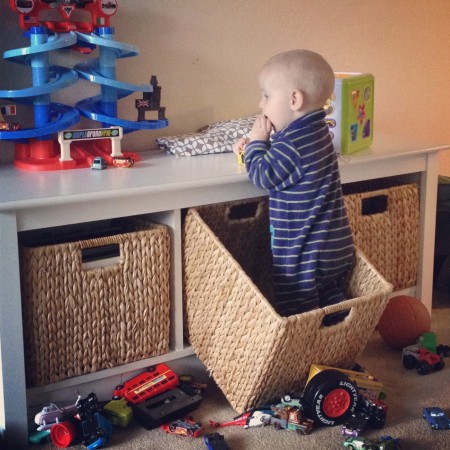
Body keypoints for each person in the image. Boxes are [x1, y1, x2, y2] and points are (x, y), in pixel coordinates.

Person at [233, 49, 355, 316]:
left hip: (305, 253)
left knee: (298, 309)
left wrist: (256, 144)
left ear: (294, 99)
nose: (261, 104)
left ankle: (306, 348)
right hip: (336, 245)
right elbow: (285, 163)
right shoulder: (317, 132)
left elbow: (263, 175)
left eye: (266, 95)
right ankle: (338, 328)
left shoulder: (292, 146)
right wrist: (258, 146)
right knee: (328, 296)